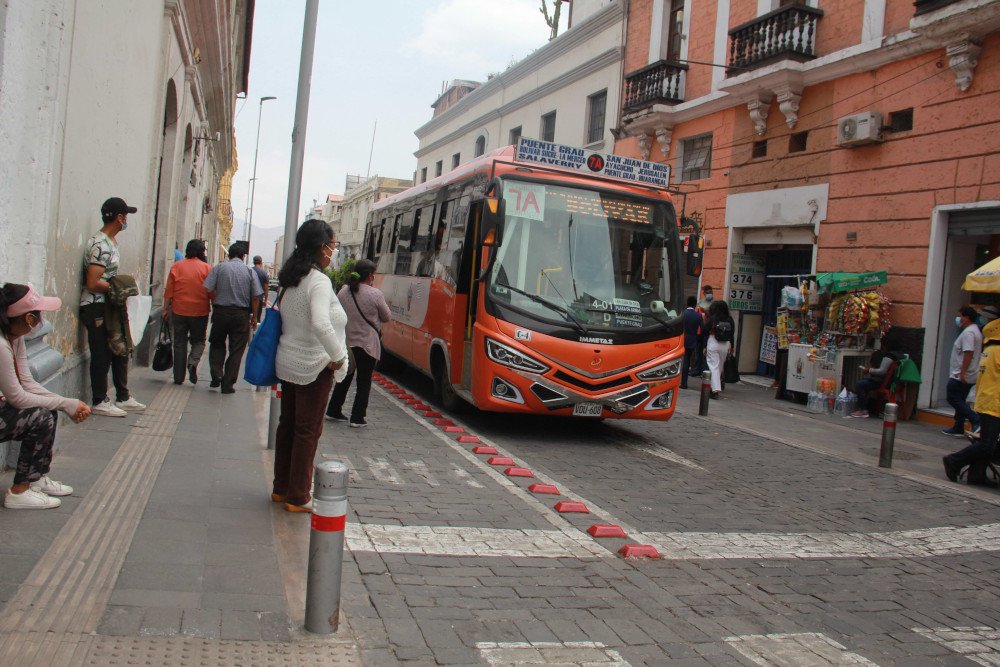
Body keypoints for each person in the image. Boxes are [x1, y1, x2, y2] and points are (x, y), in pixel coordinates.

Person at [272, 220, 349, 512]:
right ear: (321, 246)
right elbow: (320, 322)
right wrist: (338, 356)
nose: (333, 251)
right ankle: (298, 495)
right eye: (333, 245)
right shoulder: (318, 281)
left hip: (289, 360)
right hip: (314, 365)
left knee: (288, 426)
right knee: (307, 431)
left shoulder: (293, 277)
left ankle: (282, 488)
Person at [1, 283, 91, 509]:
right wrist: (65, 403)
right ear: (28, 319)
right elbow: (17, 398)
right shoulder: (1, 345)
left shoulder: (14, 337)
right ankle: (19, 492)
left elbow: (27, 382)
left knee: (47, 409)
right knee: (40, 417)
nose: (41, 322)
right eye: (38, 316)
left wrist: (62, 404)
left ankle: (35, 478)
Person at [80, 197, 146, 417]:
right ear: (119, 217)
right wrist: (117, 286)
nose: (126, 220)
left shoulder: (111, 243)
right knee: (101, 352)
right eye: (125, 216)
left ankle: (123, 396)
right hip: (96, 307)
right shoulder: (100, 244)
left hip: (109, 307)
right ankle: (99, 400)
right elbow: (92, 282)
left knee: (120, 349)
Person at [326, 259, 392, 427]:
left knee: (345, 377)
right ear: (370, 275)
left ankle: (333, 410)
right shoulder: (375, 294)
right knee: (364, 380)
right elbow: (386, 317)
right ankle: (357, 417)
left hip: (347, 342)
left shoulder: (343, 291)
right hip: (367, 344)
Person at [944, 319, 1000, 486]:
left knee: (986, 441)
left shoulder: (989, 349)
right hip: (994, 403)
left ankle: (977, 475)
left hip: (985, 401)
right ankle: (954, 460)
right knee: (987, 444)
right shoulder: (998, 351)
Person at [203, 242, 263, 394]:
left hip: (221, 312)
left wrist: (214, 302)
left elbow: (207, 288)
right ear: (243, 257)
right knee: (236, 350)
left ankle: (216, 374)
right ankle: (228, 384)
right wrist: (254, 317)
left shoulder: (219, 268)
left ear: (229, 255)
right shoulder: (250, 271)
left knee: (216, 344)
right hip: (241, 314)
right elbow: (256, 296)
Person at [163, 239, 211, 385]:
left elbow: (168, 291)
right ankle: (193, 362)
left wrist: (165, 309)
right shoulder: (207, 268)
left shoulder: (177, 266)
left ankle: (178, 377)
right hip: (200, 312)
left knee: (179, 343)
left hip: (179, 310)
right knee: (199, 340)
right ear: (202, 251)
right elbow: (211, 292)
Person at [942, 306, 982, 437]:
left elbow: (968, 353)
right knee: (960, 399)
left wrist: (962, 372)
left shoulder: (969, 333)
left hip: (962, 373)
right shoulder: (974, 331)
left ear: (967, 317)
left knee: (952, 397)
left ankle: (975, 420)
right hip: (968, 373)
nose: (958, 319)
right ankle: (958, 426)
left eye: (960, 316)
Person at [850, 351, 896, 418]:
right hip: (885, 381)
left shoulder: (886, 357)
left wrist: (869, 370)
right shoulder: (891, 357)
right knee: (863, 382)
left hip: (880, 382)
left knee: (860, 385)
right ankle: (864, 407)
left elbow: (881, 372)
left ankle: (863, 410)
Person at [705, 299, 735, 399]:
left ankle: (715, 390)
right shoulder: (729, 319)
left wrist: (704, 346)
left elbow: (705, 330)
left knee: (713, 366)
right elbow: (732, 334)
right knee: (719, 367)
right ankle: (716, 387)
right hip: (726, 344)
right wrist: (732, 346)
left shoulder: (712, 318)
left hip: (713, 341)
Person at [680, 296, 702, 389]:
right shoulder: (698, 315)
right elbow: (703, 328)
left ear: (687, 303)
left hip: (682, 340)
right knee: (689, 360)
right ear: (695, 304)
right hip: (693, 340)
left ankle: (681, 382)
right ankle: (685, 381)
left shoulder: (683, 314)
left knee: (683, 361)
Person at [251, 255, 270, 322]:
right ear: (261, 262)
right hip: (259, 299)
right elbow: (266, 289)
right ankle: (255, 331)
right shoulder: (264, 273)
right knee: (257, 319)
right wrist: (266, 300)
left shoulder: (249, 271)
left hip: (248, 299)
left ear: (253, 262)